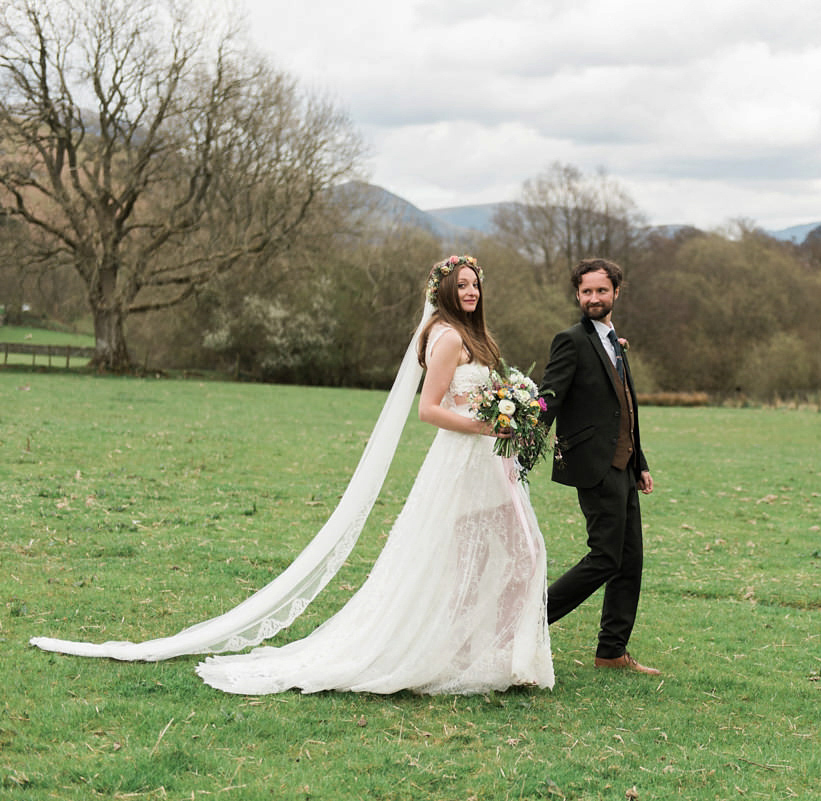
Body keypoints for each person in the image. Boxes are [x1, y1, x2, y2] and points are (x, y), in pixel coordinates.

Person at [32, 256, 554, 695]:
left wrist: (510, 417)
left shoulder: (476, 336)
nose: (470, 290)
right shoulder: (445, 339)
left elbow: (486, 400)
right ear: (442, 291)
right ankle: (485, 657)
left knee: (515, 554)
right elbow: (429, 410)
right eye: (459, 284)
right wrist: (488, 427)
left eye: (474, 283)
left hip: (489, 464)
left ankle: (496, 654)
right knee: (497, 556)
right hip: (461, 461)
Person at [539, 258, 659, 675]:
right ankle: (529, 621)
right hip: (592, 464)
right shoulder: (570, 340)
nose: (594, 298)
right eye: (586, 292)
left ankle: (611, 652)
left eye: (601, 291)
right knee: (605, 557)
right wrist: (523, 440)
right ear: (577, 295)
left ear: (615, 294)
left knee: (630, 561)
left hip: (625, 467)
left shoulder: (614, 342)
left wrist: (639, 461)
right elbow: (548, 397)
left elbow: (625, 406)